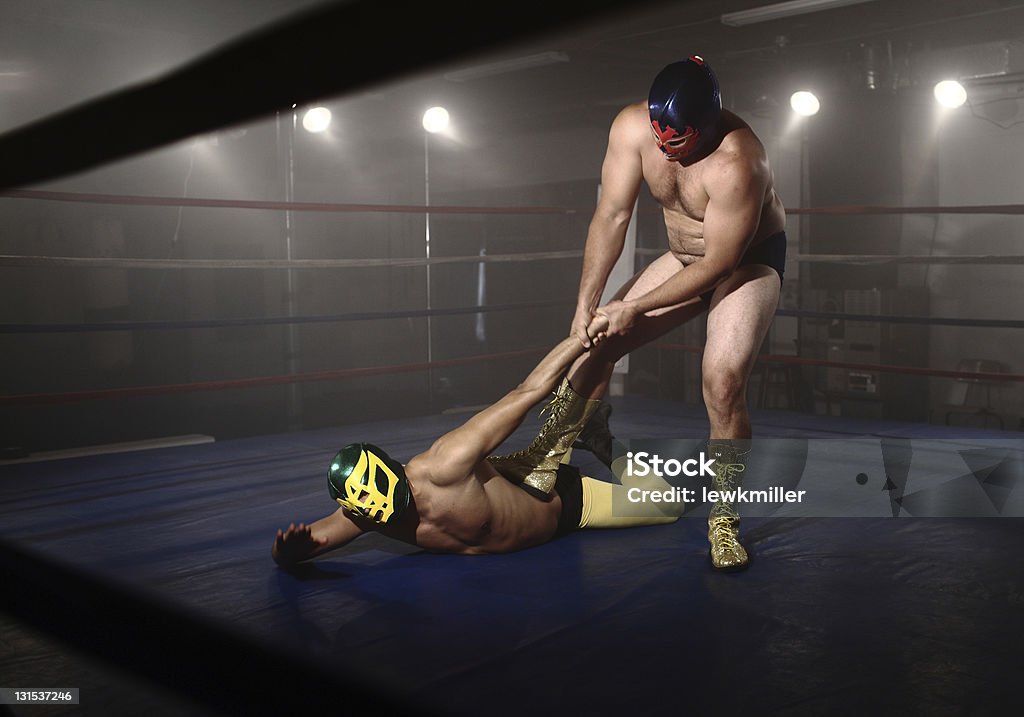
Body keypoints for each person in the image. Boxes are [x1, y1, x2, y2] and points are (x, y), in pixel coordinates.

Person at [561, 55, 788, 571]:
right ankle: (573, 441)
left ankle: (724, 520)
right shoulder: (632, 128)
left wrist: (634, 305)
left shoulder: (740, 159)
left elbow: (720, 262)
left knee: (722, 380)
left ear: (706, 129)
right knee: (597, 339)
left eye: (679, 143)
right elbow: (613, 214)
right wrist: (587, 304)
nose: (667, 152)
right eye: (661, 140)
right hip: (685, 257)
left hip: (743, 263)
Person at [271, 316, 680, 568]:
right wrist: (286, 554)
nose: (390, 522)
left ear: (396, 475)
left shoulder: (447, 461)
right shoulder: (367, 512)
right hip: (515, 479)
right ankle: (570, 438)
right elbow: (311, 542)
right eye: (381, 519)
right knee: (542, 451)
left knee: (668, 508)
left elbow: (526, 392)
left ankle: (603, 442)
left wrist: (581, 338)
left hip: (561, 504)